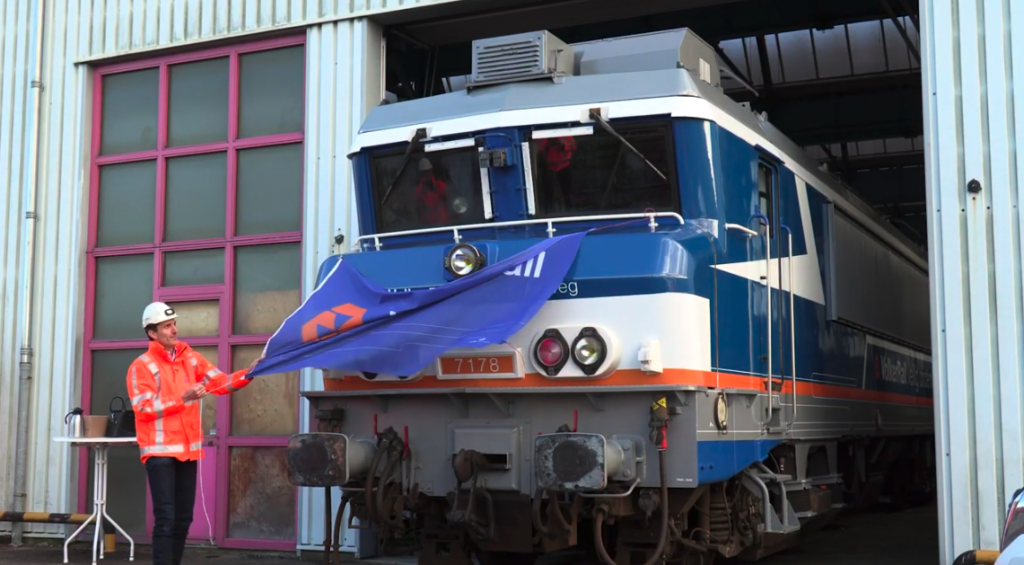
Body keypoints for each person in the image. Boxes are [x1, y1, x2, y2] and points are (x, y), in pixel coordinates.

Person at [126, 302, 259, 565]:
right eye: (167, 326)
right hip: (159, 452)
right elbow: (142, 408)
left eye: (174, 323)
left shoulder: (191, 358)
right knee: (166, 518)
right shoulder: (141, 365)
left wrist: (250, 373)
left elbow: (220, 382)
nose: (174, 329)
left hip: (187, 452)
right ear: (152, 333)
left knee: (183, 518)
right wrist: (182, 398)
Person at [413, 157, 450, 226]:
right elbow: (417, 208)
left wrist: (436, 189)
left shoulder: (440, 185)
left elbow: (448, 200)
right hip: (427, 225)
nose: (426, 174)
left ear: (431, 171)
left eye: (428, 171)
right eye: (424, 172)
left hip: (443, 223)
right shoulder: (418, 190)